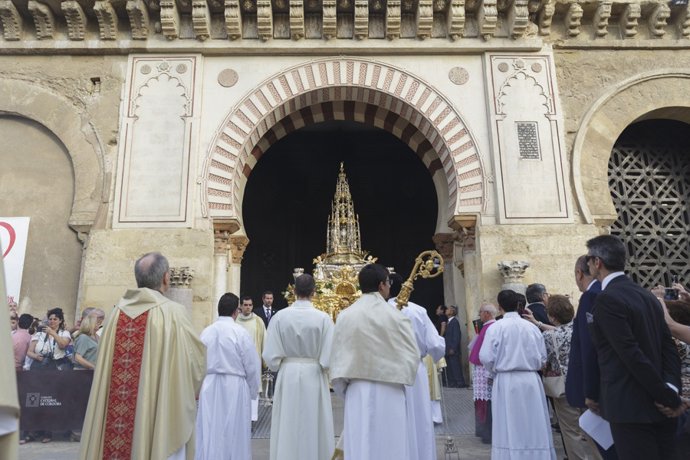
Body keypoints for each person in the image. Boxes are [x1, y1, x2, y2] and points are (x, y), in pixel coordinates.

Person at [79, 252, 206, 460]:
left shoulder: (115, 314)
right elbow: (194, 363)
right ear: (166, 277)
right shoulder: (174, 313)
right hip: (157, 414)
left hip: (113, 420)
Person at [586, 235, 682, 460]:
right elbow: (668, 347)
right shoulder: (647, 296)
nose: (588, 264)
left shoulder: (607, 299)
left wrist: (666, 396)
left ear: (598, 262)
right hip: (661, 407)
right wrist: (671, 390)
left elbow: (629, 354)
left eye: (589, 259)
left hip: (630, 407)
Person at [330, 264, 419, 460]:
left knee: (360, 444)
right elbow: (412, 355)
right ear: (381, 285)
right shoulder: (396, 316)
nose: (389, 287)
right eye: (388, 283)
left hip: (357, 390)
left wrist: (345, 388)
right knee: (390, 444)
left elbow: (336, 357)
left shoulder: (345, 316)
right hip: (391, 390)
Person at [262, 274, 335, 460]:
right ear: (314, 292)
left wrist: (279, 364)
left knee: (288, 422)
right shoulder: (323, 318)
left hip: (288, 372)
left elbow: (270, 355)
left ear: (293, 291)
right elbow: (329, 357)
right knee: (313, 422)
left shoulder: (280, 317)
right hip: (314, 373)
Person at [479, 289, 556, 459]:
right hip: (531, 380)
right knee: (533, 422)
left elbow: (485, 356)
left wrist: (494, 371)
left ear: (500, 307)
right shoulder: (531, 327)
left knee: (509, 423)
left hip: (506, 381)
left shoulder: (496, 328)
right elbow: (543, 357)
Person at [195, 292, 260, 460]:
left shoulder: (206, 332)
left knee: (210, 428)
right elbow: (251, 365)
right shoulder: (240, 332)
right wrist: (253, 391)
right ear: (235, 311)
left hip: (209, 384)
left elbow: (197, 362)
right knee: (234, 430)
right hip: (234, 386)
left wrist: (197, 387)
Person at [387, 273, 445, 460]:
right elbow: (435, 345)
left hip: (386, 369)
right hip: (414, 368)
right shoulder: (417, 311)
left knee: (391, 419)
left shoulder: (380, 310)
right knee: (418, 417)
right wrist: (437, 356)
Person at [542, 295, 600, 460]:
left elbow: (545, 362)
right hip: (588, 382)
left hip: (564, 386)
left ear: (552, 317)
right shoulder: (584, 329)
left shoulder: (548, 336)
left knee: (570, 430)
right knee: (594, 427)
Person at [469, 302, 498, 444]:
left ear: (487, 313)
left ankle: (488, 433)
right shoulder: (487, 327)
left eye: (480, 312)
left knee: (487, 402)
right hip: (481, 369)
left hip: (485, 370)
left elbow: (486, 354)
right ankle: (485, 432)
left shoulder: (491, 327)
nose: (479, 315)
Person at [237, 294, 267, 422]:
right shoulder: (235, 321)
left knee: (254, 388)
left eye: (250, 305)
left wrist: (266, 361)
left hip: (254, 360)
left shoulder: (258, 321)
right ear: (240, 306)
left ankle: (252, 418)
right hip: (237, 361)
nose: (248, 308)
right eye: (245, 305)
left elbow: (265, 340)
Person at [444, 305, 467, 388]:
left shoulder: (454, 322)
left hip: (452, 349)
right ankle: (453, 382)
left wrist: (453, 348)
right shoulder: (449, 322)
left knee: (455, 366)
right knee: (450, 367)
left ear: (452, 311)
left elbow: (456, 336)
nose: (446, 310)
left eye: (448, 309)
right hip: (448, 349)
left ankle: (460, 382)